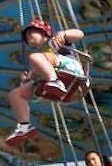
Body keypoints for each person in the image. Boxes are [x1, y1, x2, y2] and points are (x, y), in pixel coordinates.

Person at [5, 18, 85, 146]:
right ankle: (24, 125)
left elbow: (80, 34)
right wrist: (27, 79)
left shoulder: (54, 40)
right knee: (15, 94)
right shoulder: (39, 55)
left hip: (68, 66)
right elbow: (35, 73)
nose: (28, 36)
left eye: (31, 32)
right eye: (26, 36)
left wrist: (64, 34)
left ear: (43, 32)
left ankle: (55, 81)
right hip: (49, 72)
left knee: (35, 57)